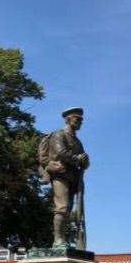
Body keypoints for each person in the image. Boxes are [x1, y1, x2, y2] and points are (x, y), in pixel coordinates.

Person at [40, 107, 90, 249]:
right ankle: (57, 241)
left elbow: (83, 162)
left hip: (73, 178)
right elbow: (60, 153)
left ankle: (64, 239)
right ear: (68, 119)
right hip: (60, 174)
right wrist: (77, 158)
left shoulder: (78, 142)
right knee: (61, 207)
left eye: (81, 120)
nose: (80, 122)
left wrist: (85, 161)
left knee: (68, 210)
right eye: (77, 119)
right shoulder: (59, 135)